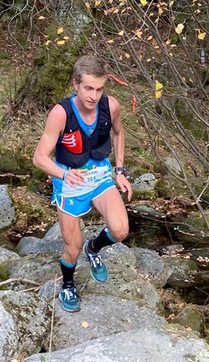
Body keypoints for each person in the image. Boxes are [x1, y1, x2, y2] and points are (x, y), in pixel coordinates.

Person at [32, 55, 133, 312]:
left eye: (99, 89)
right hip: (69, 179)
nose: (94, 96)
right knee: (72, 248)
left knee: (120, 230)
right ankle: (68, 284)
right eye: (88, 88)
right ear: (76, 84)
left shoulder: (111, 106)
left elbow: (119, 133)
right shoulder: (60, 113)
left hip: (99, 174)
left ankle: (94, 247)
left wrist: (120, 171)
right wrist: (64, 175)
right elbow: (39, 158)